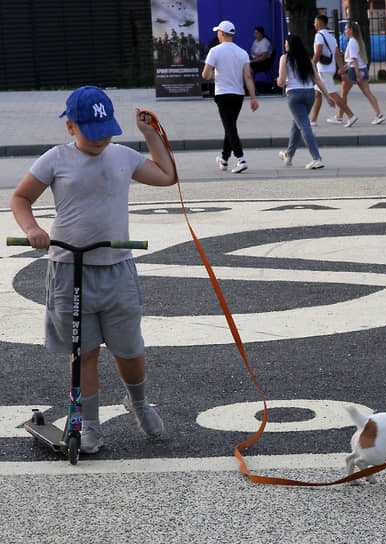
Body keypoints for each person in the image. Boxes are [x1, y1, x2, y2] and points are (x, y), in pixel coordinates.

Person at [9, 86, 178, 454]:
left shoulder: (122, 156)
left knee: (129, 349)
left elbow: (167, 176)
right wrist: (33, 230)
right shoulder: (55, 159)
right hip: (69, 270)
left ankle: (138, 402)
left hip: (117, 268)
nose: (102, 139)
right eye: (92, 131)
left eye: (107, 130)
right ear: (71, 127)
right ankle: (89, 424)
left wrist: (151, 134)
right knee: (84, 352)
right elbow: (20, 198)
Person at [202, 20, 259, 174]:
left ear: (221, 33)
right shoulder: (242, 52)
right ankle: (224, 159)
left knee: (230, 127)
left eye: (218, 33)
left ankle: (241, 159)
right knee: (230, 126)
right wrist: (253, 97)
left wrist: (216, 76)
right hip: (238, 95)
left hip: (222, 94)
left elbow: (205, 74)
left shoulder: (215, 51)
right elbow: (248, 76)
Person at [277, 34, 336, 169]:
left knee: (304, 125)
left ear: (290, 45)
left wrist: (279, 81)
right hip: (310, 94)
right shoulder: (307, 59)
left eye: (286, 43)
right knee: (297, 124)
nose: (285, 45)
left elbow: (281, 82)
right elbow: (317, 79)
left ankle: (316, 158)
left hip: (294, 94)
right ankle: (289, 155)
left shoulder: (285, 59)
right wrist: (328, 96)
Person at [309, 14, 356, 128]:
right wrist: (342, 70)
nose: (314, 24)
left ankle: (351, 115)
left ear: (319, 23)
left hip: (323, 70)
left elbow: (319, 51)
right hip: (330, 68)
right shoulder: (332, 37)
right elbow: (337, 55)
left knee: (332, 94)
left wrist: (312, 64)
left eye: (315, 22)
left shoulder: (319, 36)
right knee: (318, 93)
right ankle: (313, 120)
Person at [340, 21, 385, 127]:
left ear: (351, 31)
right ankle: (379, 114)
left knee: (343, 93)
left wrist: (356, 73)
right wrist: (343, 68)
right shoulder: (357, 41)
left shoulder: (352, 42)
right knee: (367, 92)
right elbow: (353, 59)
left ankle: (344, 116)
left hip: (355, 70)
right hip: (361, 68)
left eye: (346, 29)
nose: (345, 31)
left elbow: (354, 59)